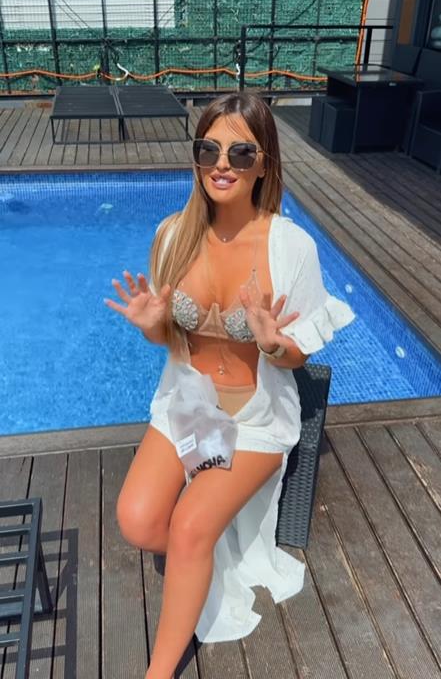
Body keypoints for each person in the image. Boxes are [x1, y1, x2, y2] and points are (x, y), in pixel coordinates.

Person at [104, 92, 355, 679]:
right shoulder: (173, 236)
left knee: (191, 525)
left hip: (254, 420)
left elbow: (296, 355)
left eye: (240, 153)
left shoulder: (290, 247)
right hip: (190, 405)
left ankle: (158, 671)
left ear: (263, 163)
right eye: (208, 150)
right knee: (138, 521)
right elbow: (170, 338)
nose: (222, 164)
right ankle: (202, 554)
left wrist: (272, 344)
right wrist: (152, 327)